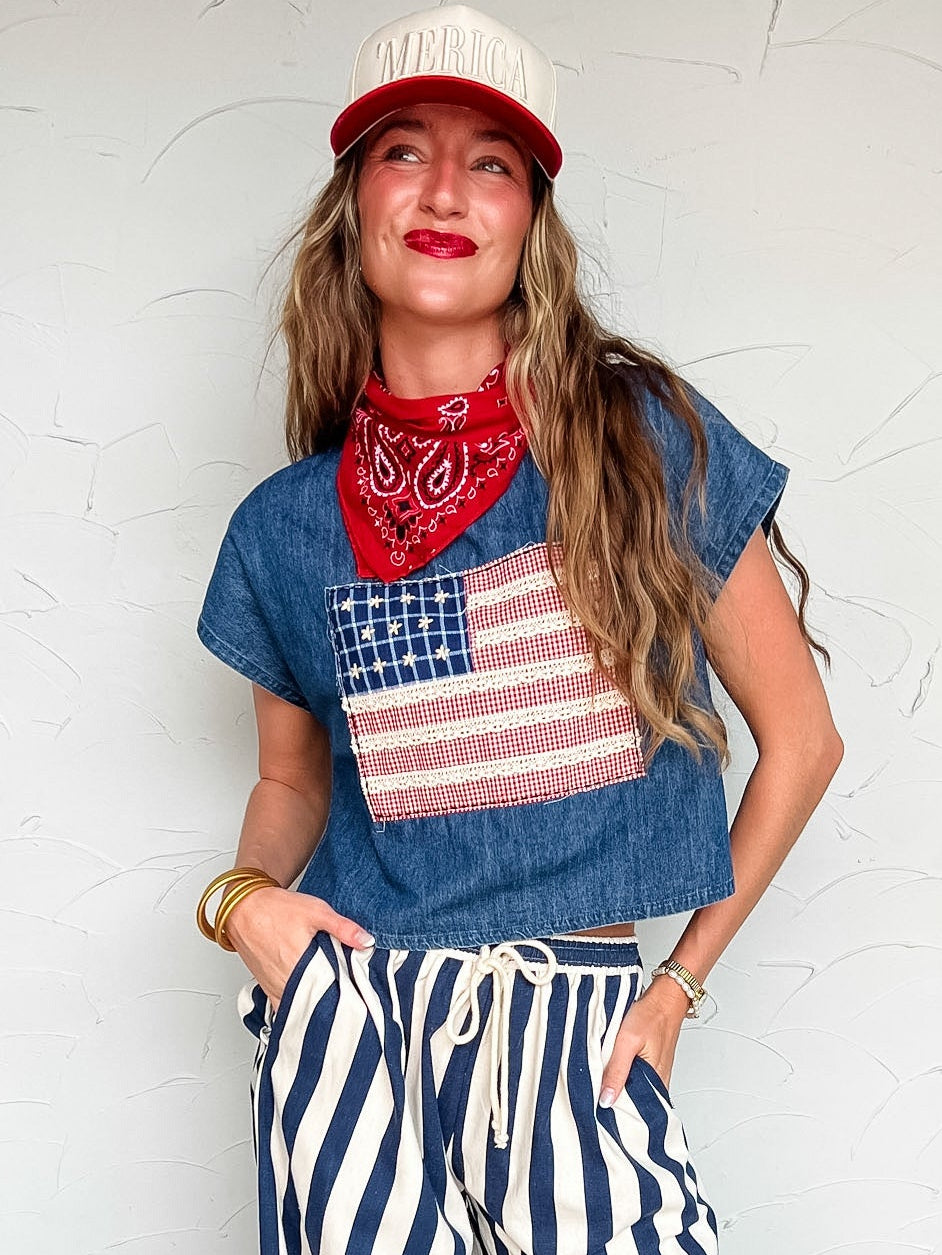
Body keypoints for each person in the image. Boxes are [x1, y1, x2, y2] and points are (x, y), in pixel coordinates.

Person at [194, 5, 843, 1252]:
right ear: (353, 205)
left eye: (490, 161)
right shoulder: (282, 528)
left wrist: (676, 988)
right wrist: (243, 904)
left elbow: (804, 742)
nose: (444, 189)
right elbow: (291, 782)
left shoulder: (642, 444)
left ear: (532, 221)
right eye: (403, 150)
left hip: (574, 1032)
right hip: (352, 1025)